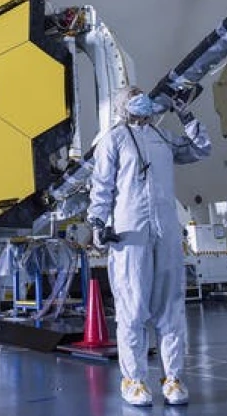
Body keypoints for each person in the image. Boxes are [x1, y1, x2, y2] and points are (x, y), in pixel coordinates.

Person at [87, 85, 212, 407]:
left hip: (166, 231)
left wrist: (186, 114)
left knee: (171, 307)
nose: (138, 100)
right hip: (130, 233)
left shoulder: (163, 138)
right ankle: (135, 381)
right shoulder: (112, 140)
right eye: (131, 96)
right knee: (132, 307)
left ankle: (173, 378)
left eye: (140, 95)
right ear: (120, 106)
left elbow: (201, 149)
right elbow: (101, 185)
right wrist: (98, 223)